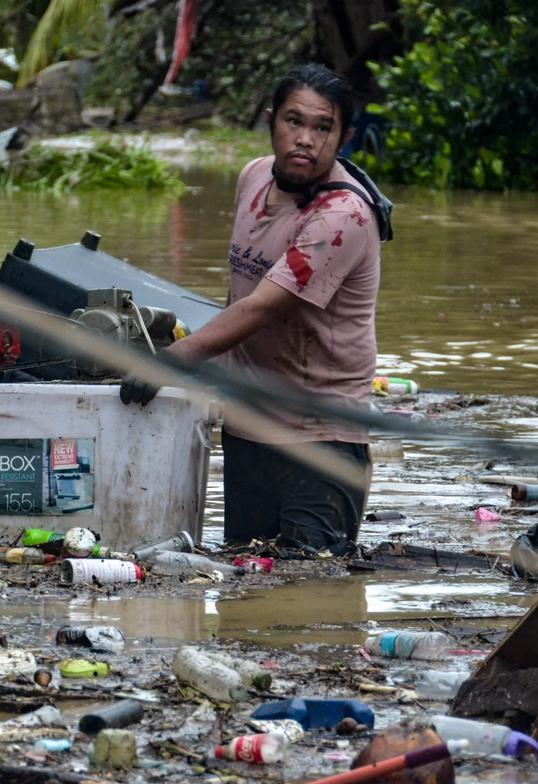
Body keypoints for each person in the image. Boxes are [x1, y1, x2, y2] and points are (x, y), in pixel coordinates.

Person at [121, 64, 383, 555]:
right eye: (293, 121)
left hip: (320, 434)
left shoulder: (341, 217)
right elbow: (237, 293)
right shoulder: (254, 177)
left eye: (322, 127)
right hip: (248, 424)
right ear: (270, 121)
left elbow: (262, 306)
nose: (305, 139)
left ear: (343, 137)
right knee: (247, 579)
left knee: (311, 585)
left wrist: (174, 360)